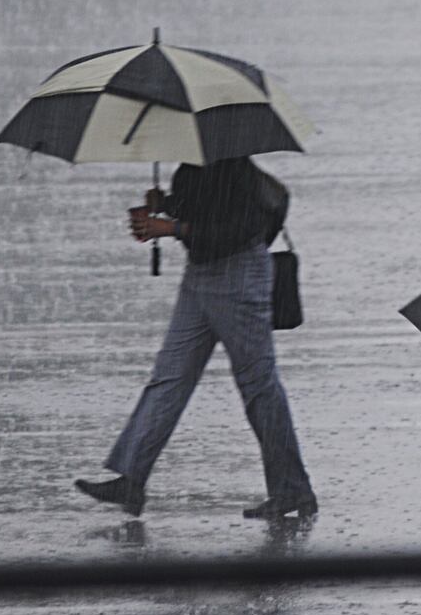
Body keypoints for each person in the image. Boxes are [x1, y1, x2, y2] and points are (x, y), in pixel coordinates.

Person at [74, 156, 317, 520]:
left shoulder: (235, 167)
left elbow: (238, 229)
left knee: (259, 387)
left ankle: (292, 489)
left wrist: (171, 228)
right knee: (168, 378)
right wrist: (165, 206)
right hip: (199, 279)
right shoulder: (192, 167)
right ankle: (131, 479)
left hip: (240, 279)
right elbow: (204, 206)